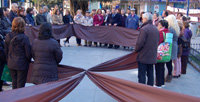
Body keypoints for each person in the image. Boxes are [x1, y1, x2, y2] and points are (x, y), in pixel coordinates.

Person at [4, 17, 32, 89]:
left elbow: (6, 51)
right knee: (21, 84)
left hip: (11, 63)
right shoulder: (25, 38)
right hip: (22, 64)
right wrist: (29, 61)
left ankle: (14, 98)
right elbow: (28, 53)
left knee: (14, 82)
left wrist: (8, 60)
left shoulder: (8, 36)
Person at [135, 12, 159, 86]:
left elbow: (140, 43)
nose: (142, 20)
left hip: (143, 55)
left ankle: (142, 90)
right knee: (150, 74)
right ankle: (149, 89)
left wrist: (136, 50)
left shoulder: (144, 29)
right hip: (152, 55)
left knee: (142, 75)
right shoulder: (155, 28)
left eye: (142, 18)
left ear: (145, 19)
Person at [165, 15, 180, 82]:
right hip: (174, 45)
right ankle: (170, 73)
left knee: (168, 61)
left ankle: (169, 74)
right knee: (170, 61)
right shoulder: (176, 28)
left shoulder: (170, 29)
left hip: (171, 45)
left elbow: (168, 37)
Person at [155, 20, 169, 88]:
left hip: (160, 52)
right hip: (165, 52)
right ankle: (162, 82)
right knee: (162, 67)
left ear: (162, 26)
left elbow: (158, 42)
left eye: (159, 24)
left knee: (158, 67)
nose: (158, 26)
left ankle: (158, 84)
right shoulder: (168, 32)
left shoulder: (161, 33)